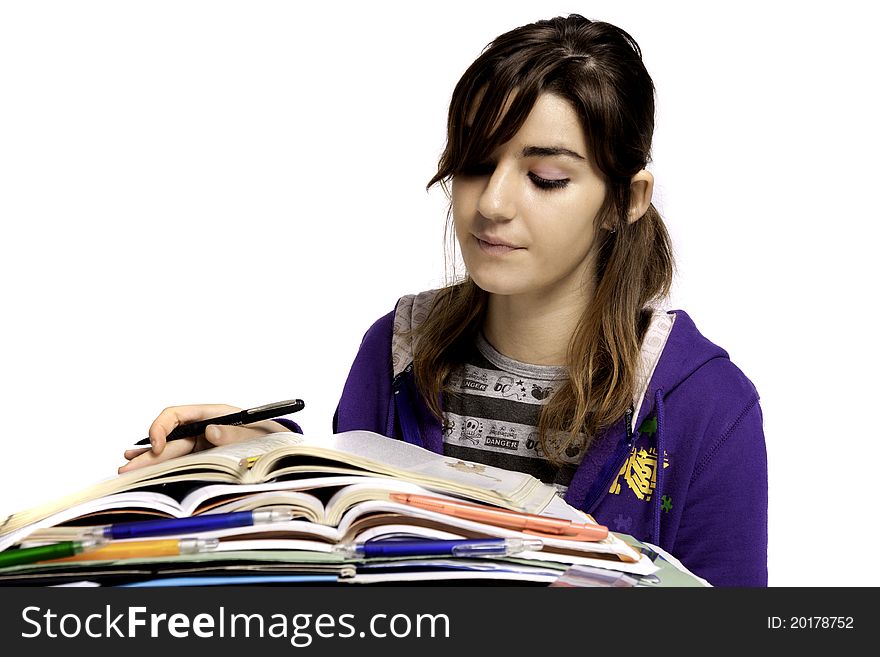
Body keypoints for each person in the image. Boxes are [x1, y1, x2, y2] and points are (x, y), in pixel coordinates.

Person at [121, 15, 767, 587]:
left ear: (626, 200)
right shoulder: (394, 353)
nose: (491, 204)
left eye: (546, 178)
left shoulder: (708, 408)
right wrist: (261, 458)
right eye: (477, 165)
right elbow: (348, 553)